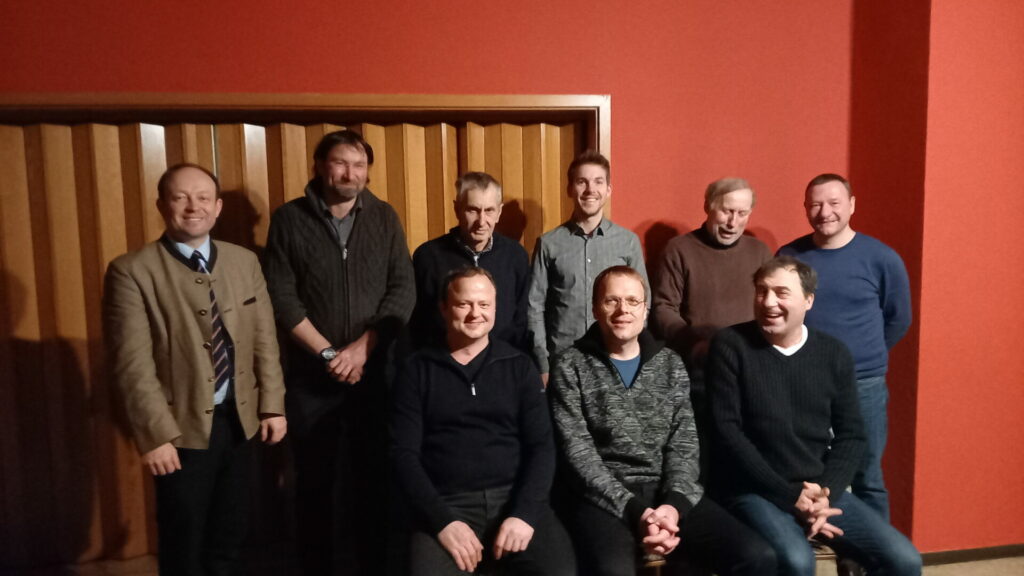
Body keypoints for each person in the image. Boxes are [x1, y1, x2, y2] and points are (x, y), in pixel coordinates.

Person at [104, 163, 286, 575]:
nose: (193, 207)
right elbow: (132, 364)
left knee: (231, 535)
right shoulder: (132, 271)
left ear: (217, 207)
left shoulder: (244, 262)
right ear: (161, 205)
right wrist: (155, 436)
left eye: (203, 198)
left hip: (240, 422)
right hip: (180, 429)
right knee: (183, 539)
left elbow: (264, 339)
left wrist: (273, 405)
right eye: (180, 197)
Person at [548, 266, 776, 576]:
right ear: (595, 309)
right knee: (612, 571)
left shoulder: (670, 364)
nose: (623, 310)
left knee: (757, 556)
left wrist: (672, 507)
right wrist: (638, 512)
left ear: (645, 310)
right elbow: (578, 455)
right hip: (602, 498)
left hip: (666, 492)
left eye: (632, 301)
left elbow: (684, 445)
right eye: (612, 300)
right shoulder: (570, 365)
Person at [706, 256, 921, 576]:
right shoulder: (730, 345)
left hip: (817, 489)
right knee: (797, 561)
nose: (768, 302)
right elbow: (727, 434)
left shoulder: (833, 353)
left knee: (905, 560)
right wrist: (790, 496)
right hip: (754, 489)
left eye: (781, 292)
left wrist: (824, 494)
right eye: (762, 291)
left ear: (808, 300)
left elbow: (852, 435)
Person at [262, 130, 415, 575]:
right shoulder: (289, 219)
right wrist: (330, 354)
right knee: (313, 483)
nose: (350, 173)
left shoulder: (384, 217)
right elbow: (281, 296)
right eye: (341, 163)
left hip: (375, 372)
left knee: (373, 480)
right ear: (319, 166)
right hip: (312, 378)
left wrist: (364, 348)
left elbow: (402, 290)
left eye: (359, 165)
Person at [392, 267, 575, 576]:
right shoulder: (416, 370)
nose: (475, 313)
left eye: (484, 304)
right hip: (447, 504)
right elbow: (402, 455)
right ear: (444, 308)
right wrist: (443, 521)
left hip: (514, 498)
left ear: (495, 307)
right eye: (464, 304)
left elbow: (542, 447)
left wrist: (524, 513)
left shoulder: (520, 367)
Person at [777, 173, 912, 521]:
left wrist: (863, 357)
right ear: (806, 208)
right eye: (816, 204)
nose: (825, 212)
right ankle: (815, 541)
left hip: (863, 384)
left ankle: (873, 550)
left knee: (868, 476)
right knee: (806, 472)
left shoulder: (882, 258)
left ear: (851, 205)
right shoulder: (789, 256)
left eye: (834, 203)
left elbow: (899, 318)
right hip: (804, 382)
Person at [650, 177, 771, 476]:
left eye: (742, 213)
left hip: (750, 373)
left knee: (745, 463)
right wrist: (695, 344)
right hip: (698, 375)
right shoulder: (679, 249)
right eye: (726, 211)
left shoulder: (760, 252)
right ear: (708, 207)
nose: (733, 222)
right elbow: (663, 308)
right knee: (700, 463)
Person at [528, 150, 647, 383]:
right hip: (562, 361)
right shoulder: (548, 244)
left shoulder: (628, 242)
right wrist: (543, 364)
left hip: (614, 361)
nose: (590, 189)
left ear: (608, 190)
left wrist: (632, 356)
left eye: (598, 182)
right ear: (570, 189)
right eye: (582, 182)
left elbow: (644, 303)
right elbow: (534, 306)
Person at [410, 171, 530, 350]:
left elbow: (522, 319)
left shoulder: (515, 256)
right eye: (472, 210)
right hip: (444, 359)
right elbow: (419, 323)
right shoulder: (428, 256)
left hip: (503, 359)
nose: (481, 221)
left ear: (499, 212)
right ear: (457, 209)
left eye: (489, 211)